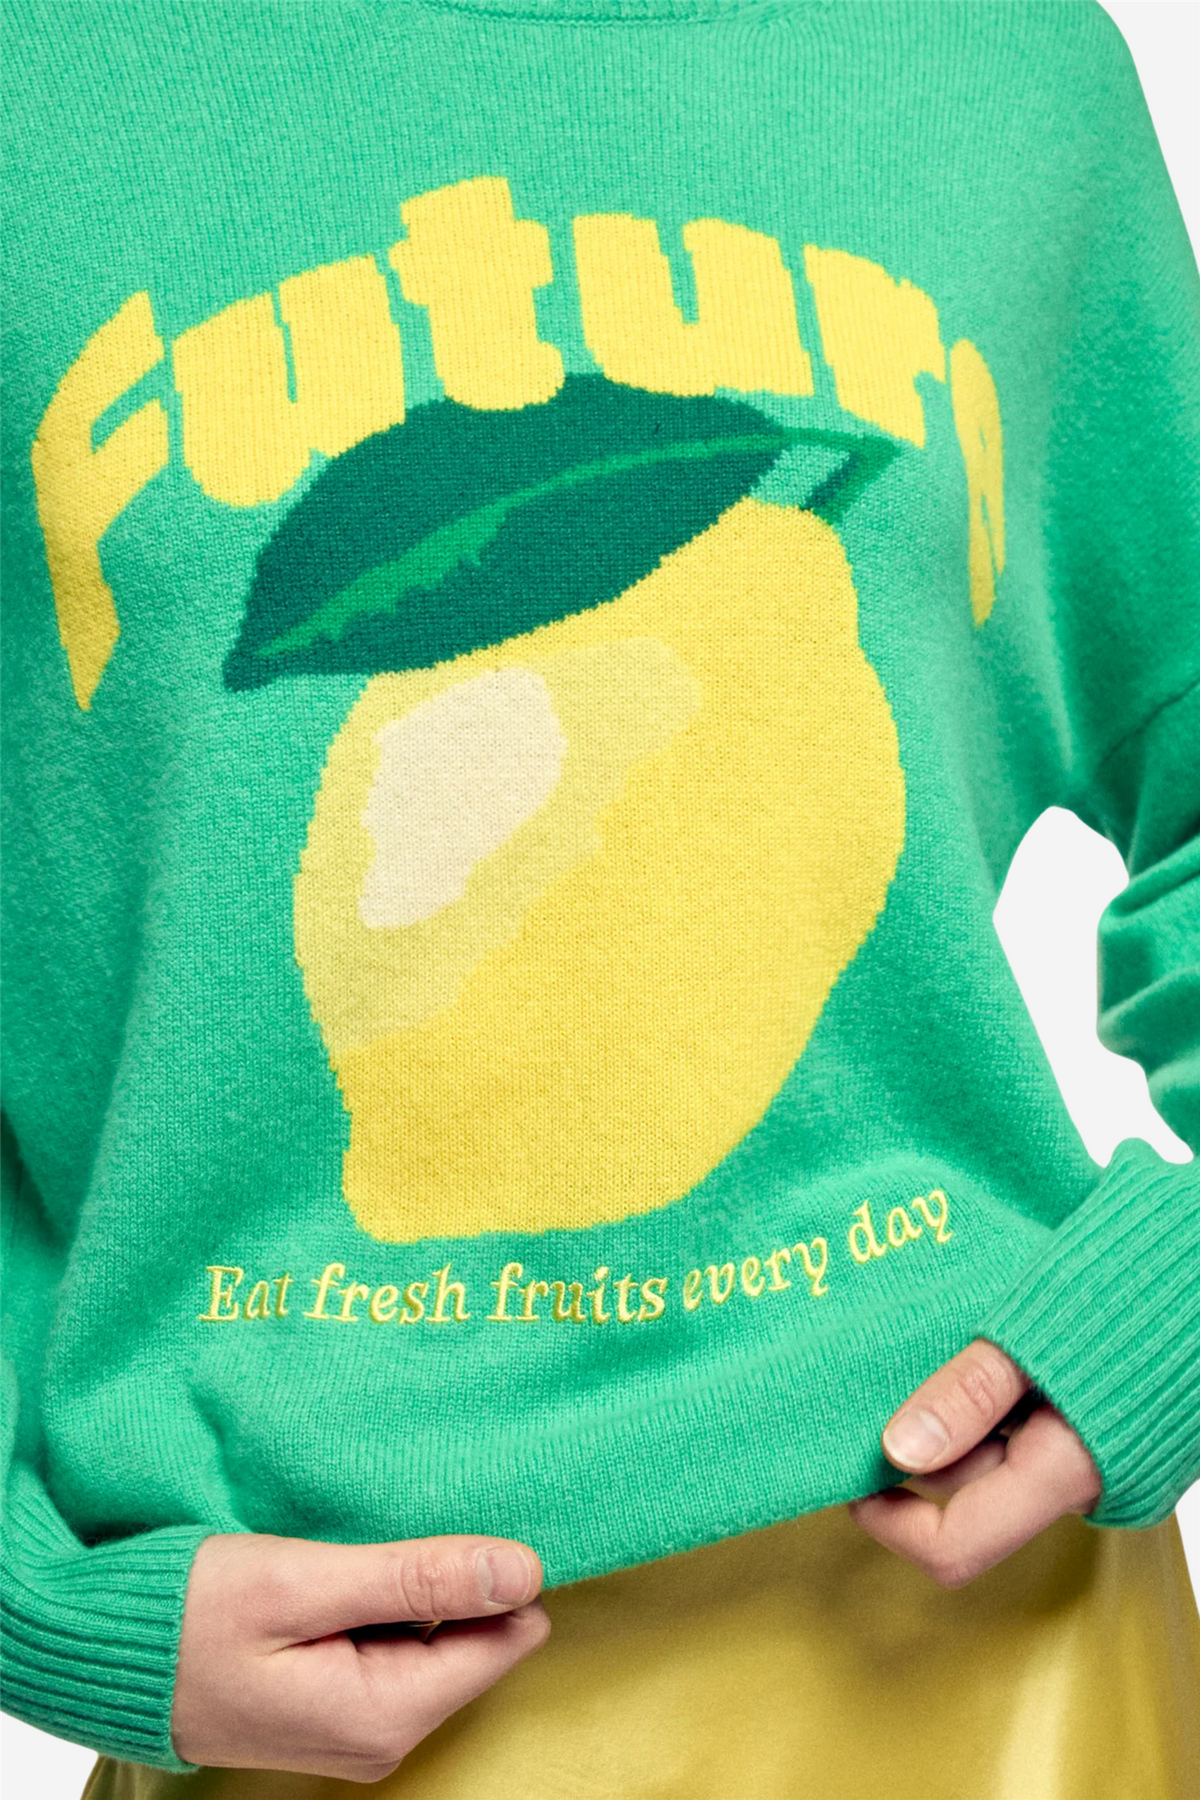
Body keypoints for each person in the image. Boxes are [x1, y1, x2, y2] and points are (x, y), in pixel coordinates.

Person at [0, 0, 1198, 1792]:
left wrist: (1177, 1297)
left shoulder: (1001, 74)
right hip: (291, 1703)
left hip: (996, 1645)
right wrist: (33, 1597)